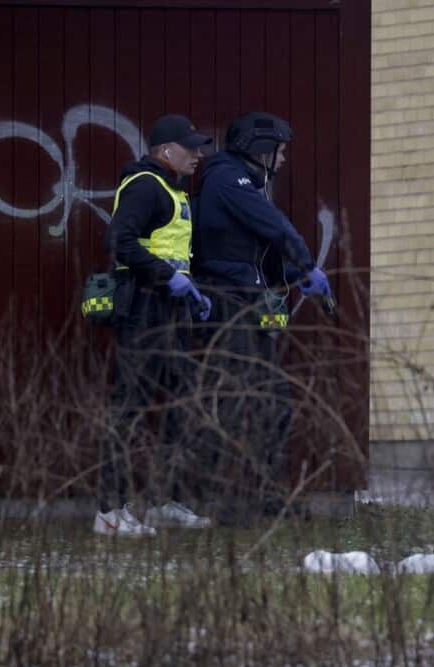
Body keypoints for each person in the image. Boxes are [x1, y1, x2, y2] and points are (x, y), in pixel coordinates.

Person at [191, 111, 334, 524]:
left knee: (273, 402)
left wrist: (293, 276)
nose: (284, 159)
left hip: (248, 301)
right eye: (280, 151)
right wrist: (307, 265)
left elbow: (250, 255)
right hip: (229, 305)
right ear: (260, 149)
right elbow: (276, 228)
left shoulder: (243, 184)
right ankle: (230, 503)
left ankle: (269, 498)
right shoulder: (226, 178)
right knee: (239, 402)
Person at [94, 113, 215, 537]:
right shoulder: (146, 186)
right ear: (166, 150)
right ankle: (109, 512)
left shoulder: (172, 189)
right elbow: (118, 242)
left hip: (170, 311)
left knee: (179, 407)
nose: (199, 155)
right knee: (129, 409)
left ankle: (165, 501)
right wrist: (169, 277)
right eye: (191, 147)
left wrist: (191, 292)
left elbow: (169, 250)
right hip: (144, 310)